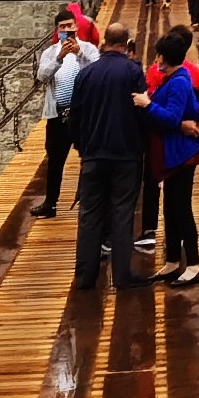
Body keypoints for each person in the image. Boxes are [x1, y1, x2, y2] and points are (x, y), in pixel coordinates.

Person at [66, 25, 149, 288]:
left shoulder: (86, 73)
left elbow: (75, 115)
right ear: (126, 43)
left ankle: (84, 277)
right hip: (126, 153)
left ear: (103, 42)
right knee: (122, 212)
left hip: (93, 153)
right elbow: (141, 112)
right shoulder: (133, 71)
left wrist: (82, 147)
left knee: (89, 214)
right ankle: (122, 276)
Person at [140, 23, 199, 285]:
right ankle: (171, 261)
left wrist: (147, 104)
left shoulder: (179, 82)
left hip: (182, 154)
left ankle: (193, 266)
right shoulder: (174, 79)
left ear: (162, 58)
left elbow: (171, 118)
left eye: (158, 55)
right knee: (170, 207)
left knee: (182, 209)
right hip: (173, 153)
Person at [32, 8, 97, 220]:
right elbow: (41, 76)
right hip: (57, 114)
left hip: (82, 114)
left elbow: (97, 71)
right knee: (55, 159)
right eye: (63, 27)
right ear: (57, 30)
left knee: (87, 157)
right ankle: (50, 203)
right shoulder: (50, 53)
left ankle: (87, 201)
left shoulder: (88, 48)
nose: (67, 30)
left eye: (70, 26)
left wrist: (78, 52)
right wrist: (59, 57)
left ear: (76, 26)